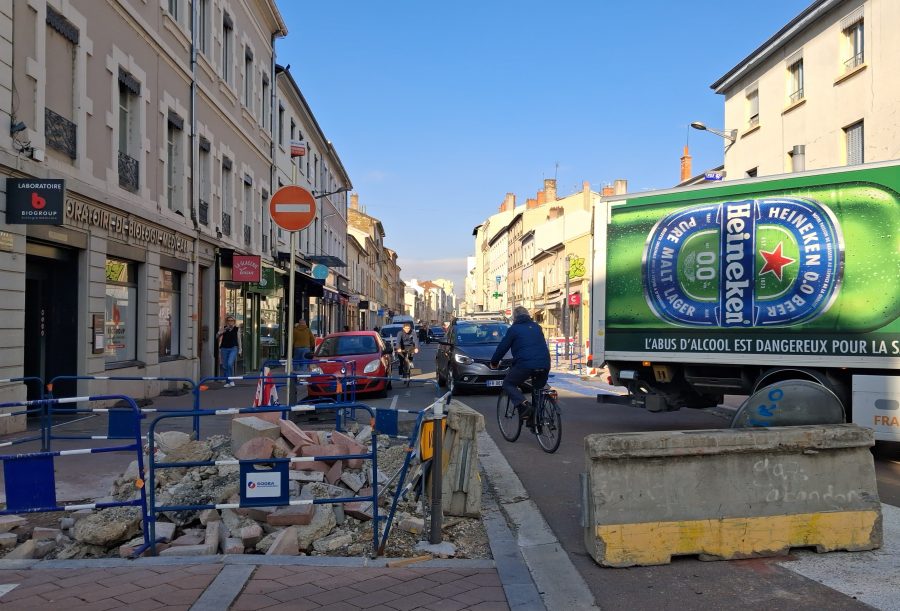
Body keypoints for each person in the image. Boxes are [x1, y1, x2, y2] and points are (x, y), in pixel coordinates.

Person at [490, 306, 551, 426]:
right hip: (544, 363)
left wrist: (494, 362)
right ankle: (536, 421)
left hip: (525, 364)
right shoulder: (537, 327)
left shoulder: (514, 329)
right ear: (528, 315)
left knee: (508, 383)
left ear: (515, 317)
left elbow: (503, 347)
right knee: (538, 390)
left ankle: (524, 404)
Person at [217, 315, 242, 387]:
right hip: (224, 348)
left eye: (232, 321)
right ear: (227, 321)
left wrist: (240, 349)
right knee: (225, 366)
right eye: (229, 321)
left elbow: (239, 339)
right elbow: (217, 336)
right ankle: (228, 382)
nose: (230, 322)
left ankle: (231, 380)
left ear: (234, 322)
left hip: (233, 348)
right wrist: (223, 331)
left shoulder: (237, 329)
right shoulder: (224, 328)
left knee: (229, 364)